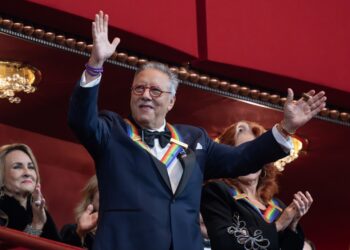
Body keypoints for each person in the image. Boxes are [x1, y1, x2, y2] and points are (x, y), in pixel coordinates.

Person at [67, 10, 326, 250]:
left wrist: (286, 128)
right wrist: (95, 64)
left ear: (172, 101)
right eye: (139, 89)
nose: (146, 95)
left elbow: (241, 158)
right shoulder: (112, 131)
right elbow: (81, 120)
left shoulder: (194, 139)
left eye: (155, 90)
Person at [201, 121, 312, 250]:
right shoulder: (216, 192)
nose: (251, 160)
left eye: (255, 154)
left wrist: (292, 226)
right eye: (244, 153)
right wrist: (278, 225)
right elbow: (225, 243)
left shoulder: (278, 207)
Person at [0, 143, 60, 241]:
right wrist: (36, 225)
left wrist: (79, 232)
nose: (27, 173)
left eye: (31, 167)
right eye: (17, 167)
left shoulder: (41, 213)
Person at [61, 175, 99, 249]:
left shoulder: (125, 238)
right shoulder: (71, 232)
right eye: (105, 188)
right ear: (91, 197)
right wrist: (80, 233)